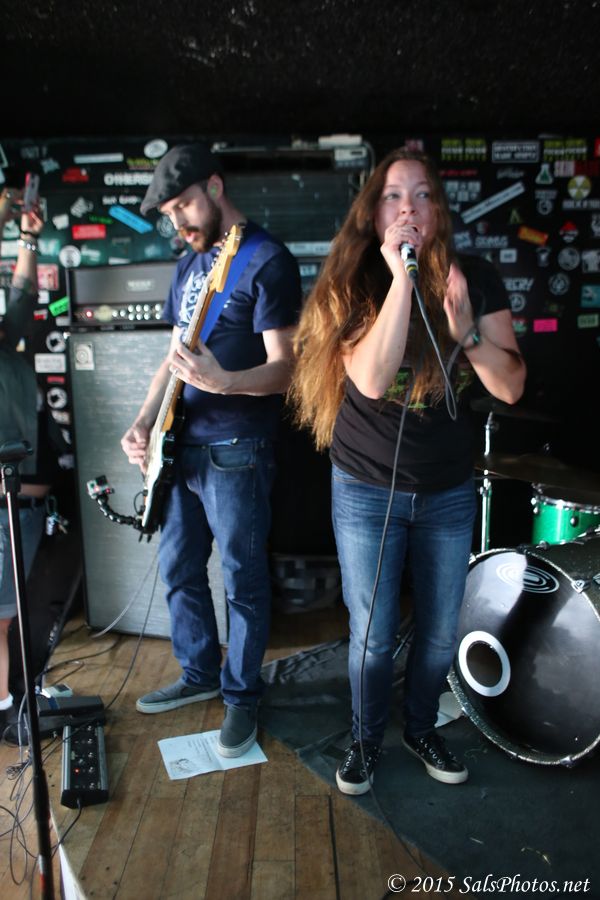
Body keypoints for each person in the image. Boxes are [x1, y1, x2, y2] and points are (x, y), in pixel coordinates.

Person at [289, 147, 526, 794]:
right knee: (370, 635)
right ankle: (366, 741)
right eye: (394, 196)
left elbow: (510, 387)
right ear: (373, 213)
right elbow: (369, 380)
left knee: (441, 634)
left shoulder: (473, 278)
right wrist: (401, 278)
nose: (409, 209)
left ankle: (421, 728)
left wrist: (466, 331)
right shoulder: (354, 279)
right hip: (366, 487)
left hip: (447, 489)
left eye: (422, 195)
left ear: (439, 211)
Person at [121, 143, 302, 757]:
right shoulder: (188, 266)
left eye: (184, 206)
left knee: (242, 581)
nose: (179, 223)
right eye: (168, 214)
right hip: (180, 447)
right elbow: (171, 360)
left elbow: (287, 369)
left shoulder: (267, 260)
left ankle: (242, 696)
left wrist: (224, 382)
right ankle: (199, 673)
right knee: (178, 569)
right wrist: (144, 421)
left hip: (238, 449)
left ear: (215, 187)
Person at [0, 181, 49, 746]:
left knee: (10, 613)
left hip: (21, 502)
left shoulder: (7, 343)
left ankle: (13, 702)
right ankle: (7, 709)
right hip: (5, 505)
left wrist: (26, 237)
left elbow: (20, 298)